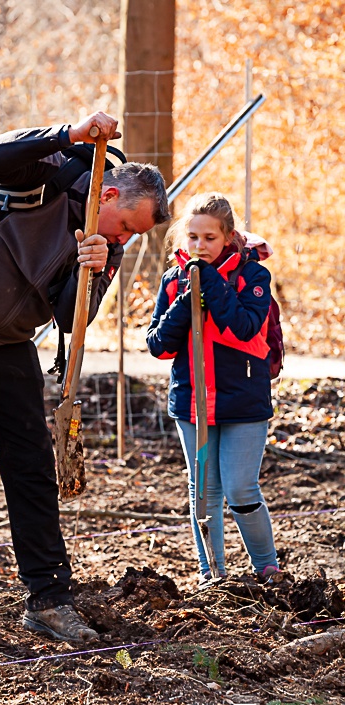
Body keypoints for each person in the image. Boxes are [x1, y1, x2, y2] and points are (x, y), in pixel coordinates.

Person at [0, 111, 170, 639]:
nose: (125, 239)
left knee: (32, 468)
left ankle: (49, 599)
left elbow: (69, 317)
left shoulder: (109, 244)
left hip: (9, 340)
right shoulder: (49, 171)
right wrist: (69, 133)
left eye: (133, 236)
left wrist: (93, 270)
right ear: (108, 196)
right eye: (126, 227)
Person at [146, 192, 280, 585]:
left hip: (243, 402)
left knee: (240, 488)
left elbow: (244, 328)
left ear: (228, 237)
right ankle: (213, 573)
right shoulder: (173, 281)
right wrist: (186, 300)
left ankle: (267, 568)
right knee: (204, 490)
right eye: (193, 237)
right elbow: (159, 345)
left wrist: (211, 284)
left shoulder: (253, 277)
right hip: (192, 402)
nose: (200, 246)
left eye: (209, 238)